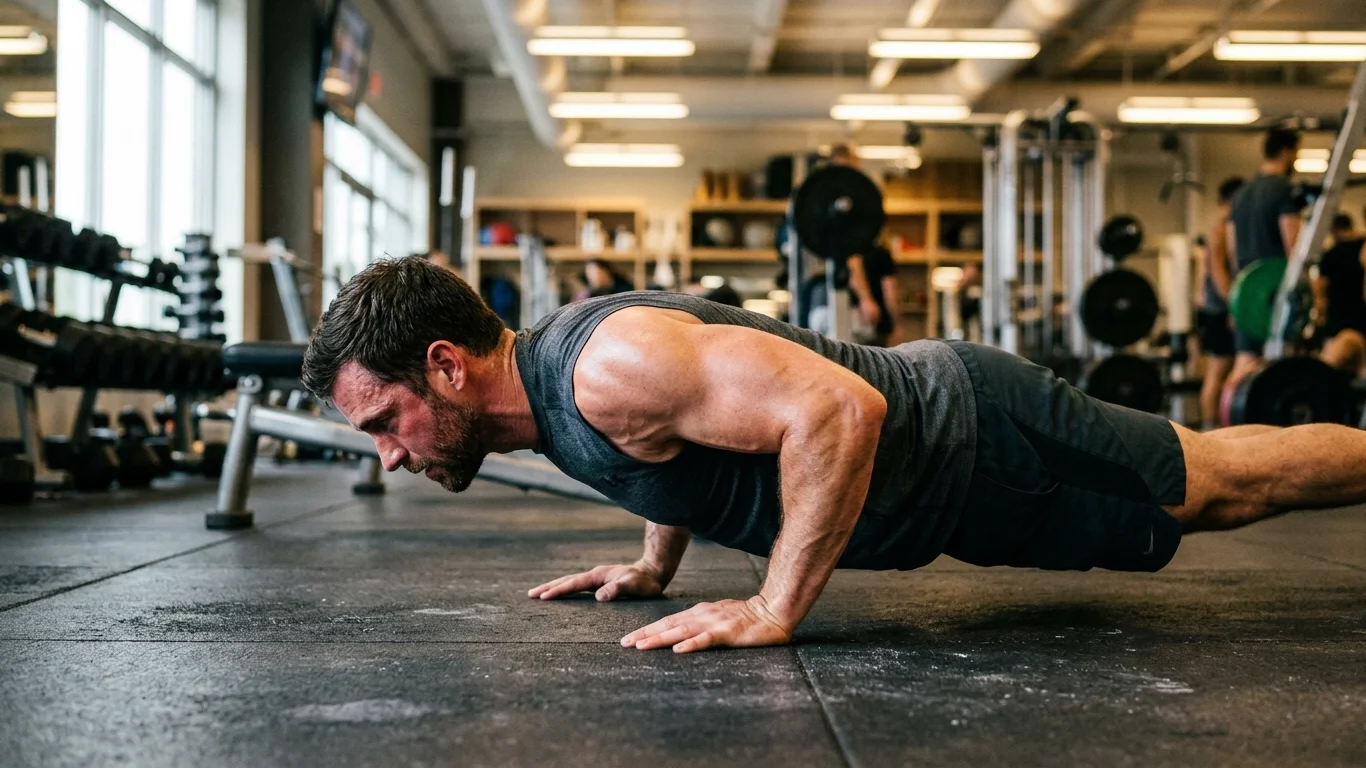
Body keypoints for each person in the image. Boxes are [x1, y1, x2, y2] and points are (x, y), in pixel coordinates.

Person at [303, 257, 1366, 655]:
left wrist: (774, 607)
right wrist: (656, 564)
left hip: (977, 438)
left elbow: (839, 412)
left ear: (444, 366)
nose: (388, 458)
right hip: (955, 495)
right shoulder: (544, 396)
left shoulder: (602, 366)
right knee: (1219, 477)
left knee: (1227, 484)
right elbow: (668, 452)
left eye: (382, 422)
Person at [1225, 129, 1302, 392]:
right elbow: (1294, 245)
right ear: (1286, 152)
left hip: (1247, 290)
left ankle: (1227, 429)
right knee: (1281, 364)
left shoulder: (1241, 194)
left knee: (1244, 361)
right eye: (1296, 153)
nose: (1296, 159)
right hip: (1276, 291)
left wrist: (1238, 296)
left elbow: (1233, 248)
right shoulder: (1282, 189)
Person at [828, 144, 902, 347]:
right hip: (856, 312)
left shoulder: (878, 249)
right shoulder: (840, 227)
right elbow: (853, 259)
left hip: (867, 316)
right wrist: (866, 300)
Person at [1195, 177, 1244, 430]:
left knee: (1225, 372)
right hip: (1219, 310)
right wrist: (1234, 306)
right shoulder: (1221, 228)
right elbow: (1218, 272)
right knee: (1217, 372)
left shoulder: (1227, 226)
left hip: (1217, 309)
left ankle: (1218, 428)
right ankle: (1209, 430)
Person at [1313, 213, 1366, 374]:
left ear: (1334, 230)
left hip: (1339, 323)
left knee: (1331, 371)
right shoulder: (1362, 246)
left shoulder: (1331, 255)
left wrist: (1319, 313)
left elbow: (1319, 289)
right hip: (1361, 320)